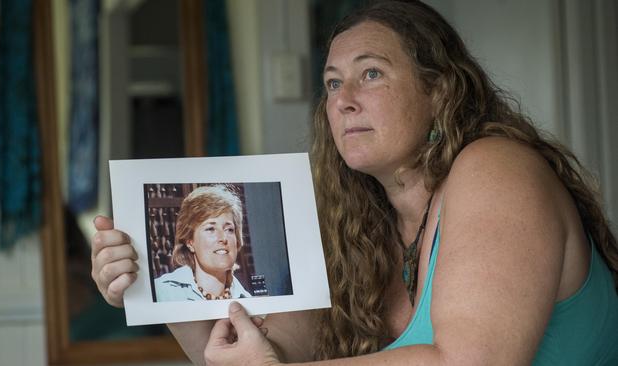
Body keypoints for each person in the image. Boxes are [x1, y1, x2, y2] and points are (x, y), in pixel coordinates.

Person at [91, 1, 618, 365]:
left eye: (371, 74)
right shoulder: (348, 220)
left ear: (439, 91)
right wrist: (149, 280)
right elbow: (268, 353)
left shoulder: (497, 169)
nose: (342, 100)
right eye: (332, 83)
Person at [153, 185, 252, 301]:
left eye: (229, 229)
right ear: (190, 242)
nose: (223, 238)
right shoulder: (161, 292)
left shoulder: (248, 299)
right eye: (210, 229)